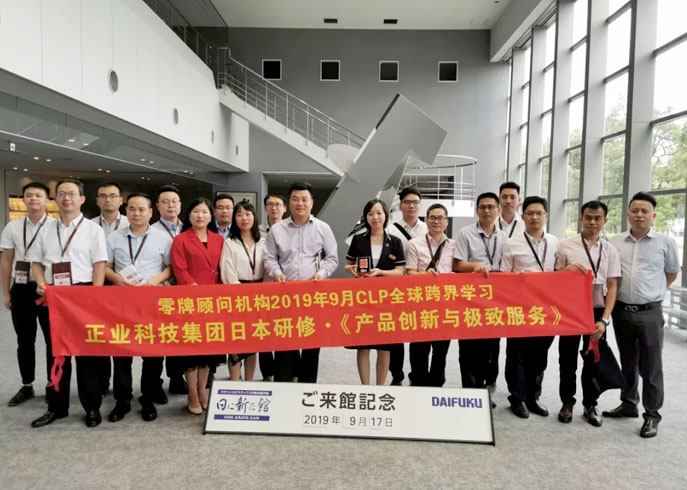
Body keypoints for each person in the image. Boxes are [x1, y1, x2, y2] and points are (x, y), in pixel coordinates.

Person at [29, 178, 108, 428]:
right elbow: (36, 263)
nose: (66, 198)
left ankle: (92, 407)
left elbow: (99, 266)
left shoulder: (93, 230)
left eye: (72, 194)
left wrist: (95, 298)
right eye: (61, 193)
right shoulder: (45, 229)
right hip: (54, 295)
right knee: (56, 353)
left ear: (82, 199)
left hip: (83, 295)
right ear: (56, 199)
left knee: (87, 355)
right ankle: (56, 407)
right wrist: (41, 283)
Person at [603, 192, 679, 438]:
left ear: (653, 215)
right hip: (622, 311)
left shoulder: (665, 243)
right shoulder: (615, 242)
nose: (639, 215)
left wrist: (652, 293)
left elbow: (671, 273)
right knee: (627, 361)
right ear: (627, 214)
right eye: (635, 211)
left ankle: (652, 415)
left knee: (651, 365)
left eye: (644, 211)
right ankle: (628, 403)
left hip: (650, 312)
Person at [105, 193, 173, 422]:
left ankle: (148, 397)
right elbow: (106, 267)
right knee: (121, 352)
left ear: (150, 212)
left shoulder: (163, 238)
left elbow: (170, 268)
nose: (137, 213)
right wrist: (116, 278)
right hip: (122, 303)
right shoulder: (114, 237)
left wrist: (155, 280)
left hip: (152, 302)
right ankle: (122, 399)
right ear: (126, 211)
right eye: (132, 209)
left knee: (153, 353)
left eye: (142, 209)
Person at [264, 182, 338, 383]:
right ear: (289, 203)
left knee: (311, 345)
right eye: (295, 199)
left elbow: (332, 258)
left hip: (313, 295)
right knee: (285, 343)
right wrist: (277, 273)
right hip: (285, 295)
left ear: (311, 203)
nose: (300, 203)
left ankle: (307, 387)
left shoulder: (323, 228)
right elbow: (269, 258)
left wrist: (321, 274)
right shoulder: (276, 229)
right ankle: (284, 386)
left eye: (304, 199)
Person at [554, 200, 621, 427]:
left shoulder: (610, 250)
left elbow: (612, 285)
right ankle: (567, 402)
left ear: (604, 221)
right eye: (588, 218)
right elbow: (553, 279)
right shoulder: (565, 245)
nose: (592, 222)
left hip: (597, 310)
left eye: (597, 218)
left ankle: (590, 405)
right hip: (571, 309)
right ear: (581, 218)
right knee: (567, 359)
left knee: (593, 359)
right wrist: (565, 271)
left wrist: (605, 320)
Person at [501, 196, 559, 419]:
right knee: (517, 354)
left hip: (546, 309)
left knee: (539, 355)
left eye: (539, 213)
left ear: (546, 216)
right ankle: (517, 398)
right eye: (530, 213)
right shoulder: (512, 243)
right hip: (519, 307)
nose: (534, 217)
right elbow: (504, 276)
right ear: (522, 216)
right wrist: (517, 278)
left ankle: (533, 396)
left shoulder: (555, 242)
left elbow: (559, 273)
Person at [1, 182, 54, 407]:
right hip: (21, 288)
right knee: (24, 340)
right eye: (29, 195)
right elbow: (6, 261)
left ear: (47, 200)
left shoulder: (55, 226)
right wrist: (6, 293)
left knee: (52, 340)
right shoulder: (13, 227)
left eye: (38, 195)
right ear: (23, 199)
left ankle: (53, 384)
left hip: (47, 289)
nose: (33, 199)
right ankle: (27, 385)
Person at [171, 198, 226, 414]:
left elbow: (223, 268)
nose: (200, 216)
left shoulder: (218, 239)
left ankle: (203, 390)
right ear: (189, 215)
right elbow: (179, 269)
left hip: (214, 302)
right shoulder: (181, 239)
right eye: (195, 211)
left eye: (204, 212)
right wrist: (195, 290)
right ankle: (192, 393)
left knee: (208, 352)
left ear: (211, 216)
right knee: (192, 352)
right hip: (190, 301)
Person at [344, 199, 405, 385]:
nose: (375, 217)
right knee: (363, 346)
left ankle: (380, 387)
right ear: (366, 217)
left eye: (379, 213)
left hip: (386, 300)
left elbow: (399, 271)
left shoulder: (395, 242)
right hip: (363, 299)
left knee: (384, 347)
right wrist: (352, 269)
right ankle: (366, 386)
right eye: (370, 213)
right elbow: (348, 265)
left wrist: (380, 272)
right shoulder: (358, 239)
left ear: (385, 215)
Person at [453, 192, 506, 401]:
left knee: (491, 347)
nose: (486, 211)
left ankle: (485, 390)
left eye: (491, 207)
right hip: (470, 298)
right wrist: (474, 265)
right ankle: (470, 392)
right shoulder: (465, 233)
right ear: (477, 210)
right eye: (482, 207)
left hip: (495, 299)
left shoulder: (504, 237)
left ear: (498, 210)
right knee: (468, 347)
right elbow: (457, 265)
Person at [405, 203, 456, 387]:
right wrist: (424, 276)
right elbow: (410, 273)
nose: (436, 221)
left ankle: (437, 382)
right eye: (432, 218)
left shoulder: (454, 245)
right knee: (419, 346)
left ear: (446, 222)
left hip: (445, 304)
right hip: (421, 303)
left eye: (440, 218)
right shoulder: (414, 244)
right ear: (426, 221)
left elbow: (458, 270)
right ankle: (418, 381)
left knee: (441, 348)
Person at [386, 186, 427, 386]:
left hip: (422, 289)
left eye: (415, 202)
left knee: (420, 334)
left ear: (420, 205)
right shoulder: (390, 230)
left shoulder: (428, 229)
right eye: (407, 202)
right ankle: (397, 374)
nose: (411, 206)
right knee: (396, 334)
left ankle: (416, 375)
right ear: (400, 206)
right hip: (397, 288)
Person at [220, 200, 263, 382]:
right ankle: (235, 382)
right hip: (238, 296)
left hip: (260, 296)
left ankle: (249, 382)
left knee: (253, 343)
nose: (244, 218)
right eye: (239, 215)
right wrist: (242, 296)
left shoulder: (264, 241)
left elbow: (269, 268)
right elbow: (227, 271)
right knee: (236, 341)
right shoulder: (229, 243)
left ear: (254, 217)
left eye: (247, 214)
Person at [91, 181, 128, 396]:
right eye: (103, 196)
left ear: (121, 200)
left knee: (121, 337)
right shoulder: (88, 226)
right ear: (97, 201)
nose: (108, 200)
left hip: (123, 287)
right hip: (97, 285)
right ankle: (103, 380)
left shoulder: (131, 223)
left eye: (113, 196)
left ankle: (122, 386)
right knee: (100, 335)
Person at [490, 181, 526, 393]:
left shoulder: (526, 225)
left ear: (519, 200)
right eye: (504, 197)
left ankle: (516, 391)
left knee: (516, 345)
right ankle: (490, 381)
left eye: (512, 197)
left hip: (518, 291)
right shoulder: (490, 222)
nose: (508, 201)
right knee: (491, 341)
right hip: (493, 289)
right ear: (499, 200)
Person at [151, 185, 185, 394]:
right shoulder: (151, 231)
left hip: (184, 292)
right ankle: (155, 384)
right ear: (157, 206)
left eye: (174, 201)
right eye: (165, 202)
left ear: (180, 205)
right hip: (160, 291)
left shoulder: (189, 228)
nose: (170, 205)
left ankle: (176, 378)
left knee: (180, 336)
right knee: (158, 337)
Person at [257, 193, 287, 381]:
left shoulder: (291, 230)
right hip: (265, 287)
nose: (274, 208)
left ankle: (288, 371)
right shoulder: (256, 231)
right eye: (270, 204)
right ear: (265, 208)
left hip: (288, 289)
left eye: (278, 204)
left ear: (284, 208)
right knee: (265, 330)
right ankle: (267, 372)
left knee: (287, 330)